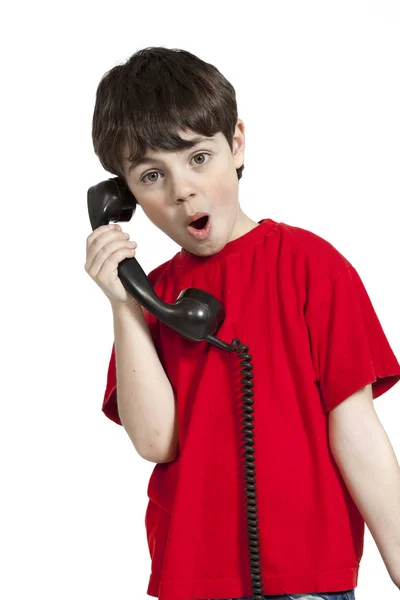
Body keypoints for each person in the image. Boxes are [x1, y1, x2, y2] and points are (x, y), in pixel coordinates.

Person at [84, 47, 400, 600]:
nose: (181, 189)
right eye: (151, 175)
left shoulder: (311, 266)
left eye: (198, 158)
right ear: (123, 197)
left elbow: (356, 429)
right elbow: (158, 441)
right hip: (190, 574)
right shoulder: (152, 295)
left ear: (236, 144)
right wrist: (124, 305)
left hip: (306, 575)